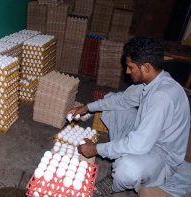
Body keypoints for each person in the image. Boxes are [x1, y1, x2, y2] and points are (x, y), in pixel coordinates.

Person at [69, 37, 191, 196]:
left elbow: (140, 144)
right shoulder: (152, 82)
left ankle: (115, 182)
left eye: (130, 67)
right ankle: (120, 151)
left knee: (126, 168)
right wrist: (87, 107)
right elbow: (122, 100)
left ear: (146, 67)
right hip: (148, 136)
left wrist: (96, 149)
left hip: (162, 153)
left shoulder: (162, 97)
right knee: (113, 105)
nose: (127, 71)